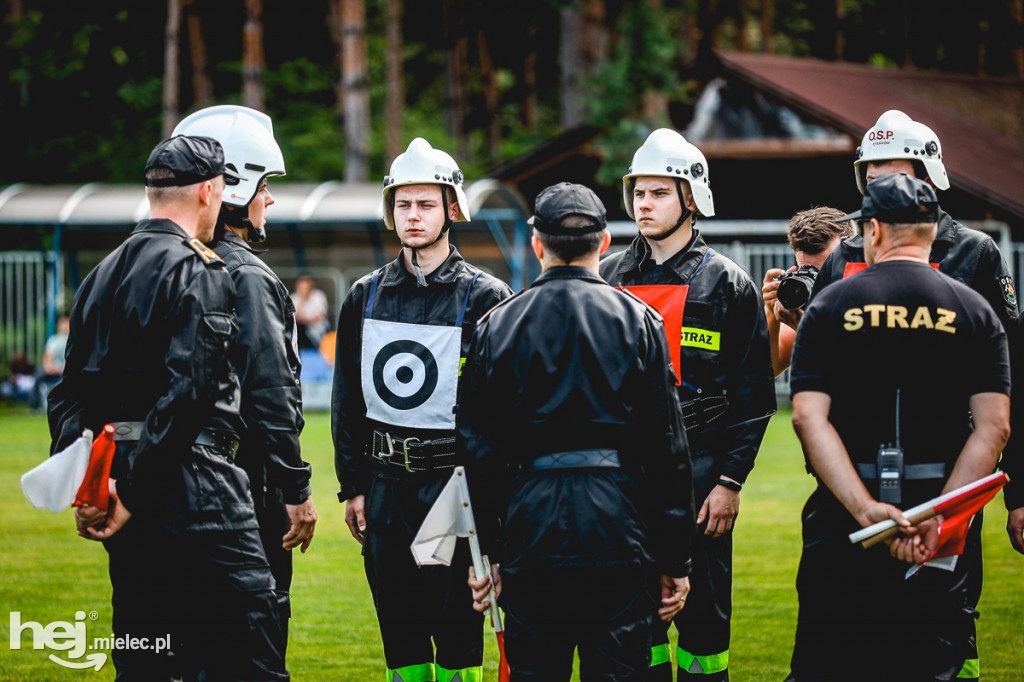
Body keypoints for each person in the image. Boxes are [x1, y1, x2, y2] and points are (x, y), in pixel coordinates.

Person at [47, 135, 288, 681]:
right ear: (209, 191)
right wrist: (132, 490)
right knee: (249, 651)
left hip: (121, 480)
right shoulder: (200, 270)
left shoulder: (99, 276)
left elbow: (68, 395)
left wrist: (92, 484)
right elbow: (189, 393)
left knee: (146, 655)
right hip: (197, 486)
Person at [461, 182, 696, 681]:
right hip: (617, 519)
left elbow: (478, 454)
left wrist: (489, 553)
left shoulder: (495, 325)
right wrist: (675, 557)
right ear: (605, 242)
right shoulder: (641, 322)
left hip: (530, 520)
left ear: (536, 245)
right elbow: (669, 450)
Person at [787, 173, 1010, 682]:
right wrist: (939, 516)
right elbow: (994, 428)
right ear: (932, 231)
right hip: (937, 514)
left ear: (874, 231)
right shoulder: (974, 310)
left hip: (844, 515)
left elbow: (806, 418)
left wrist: (865, 509)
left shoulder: (829, 304)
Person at [809, 109, 1022, 612]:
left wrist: (1019, 493)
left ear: (929, 176)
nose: (880, 185)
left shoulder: (976, 253)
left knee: (946, 628)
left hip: (951, 472)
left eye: (894, 173)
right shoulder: (842, 255)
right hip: (852, 478)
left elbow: (1013, 378)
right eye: (872, 175)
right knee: (849, 627)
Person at [332, 137, 513, 682]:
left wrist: (494, 513)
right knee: (402, 644)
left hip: (455, 490)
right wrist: (354, 486)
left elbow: (502, 417)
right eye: (403, 204)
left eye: (426, 204)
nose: (413, 216)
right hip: (386, 490)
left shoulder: (487, 297)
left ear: (452, 209)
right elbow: (348, 399)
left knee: (458, 639)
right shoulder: (364, 296)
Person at [600, 128, 776, 681]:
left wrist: (730, 481)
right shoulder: (605, 278)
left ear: (691, 198)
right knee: (633, 628)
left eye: (658, 193)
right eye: (638, 193)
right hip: (623, 474)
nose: (643, 205)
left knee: (703, 630)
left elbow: (753, 396)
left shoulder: (728, 283)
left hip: (701, 471)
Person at [173, 104, 317, 656]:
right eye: (265, 184)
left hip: (160, 486)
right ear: (234, 186)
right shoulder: (249, 278)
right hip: (241, 489)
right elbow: (271, 395)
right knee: (252, 633)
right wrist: (295, 490)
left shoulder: (151, 266)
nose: (270, 198)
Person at [761, 208, 853, 376]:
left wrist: (808, 331)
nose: (818, 281)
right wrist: (770, 312)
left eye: (827, 269)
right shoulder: (807, 302)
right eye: (807, 270)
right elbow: (769, 369)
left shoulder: (873, 296)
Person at [31, 315, 70, 410]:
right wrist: (51, 368)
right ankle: (36, 406)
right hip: (53, 370)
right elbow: (48, 358)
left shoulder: (73, 339)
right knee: (38, 377)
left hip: (67, 370)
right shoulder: (53, 340)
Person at [291, 275, 330, 350]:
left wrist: (302, 320)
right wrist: (302, 300)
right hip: (300, 328)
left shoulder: (318, 296)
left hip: (317, 327)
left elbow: (318, 317)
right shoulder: (294, 298)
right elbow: (293, 317)